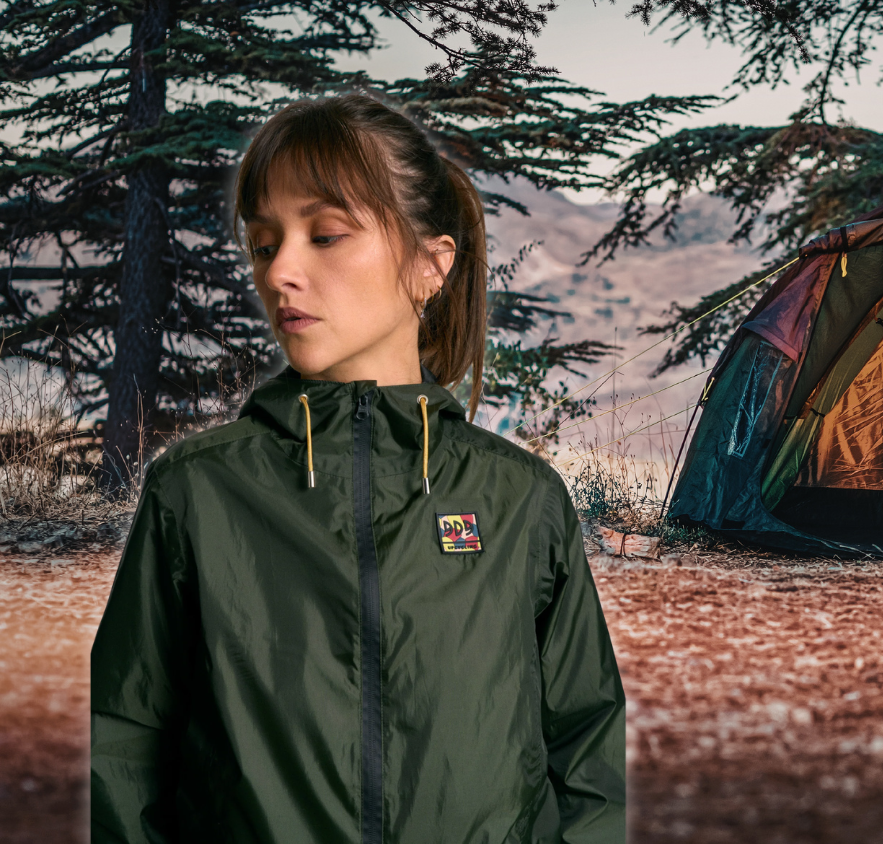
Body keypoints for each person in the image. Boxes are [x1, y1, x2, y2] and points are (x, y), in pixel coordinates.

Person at [90, 93, 626, 843]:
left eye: (327, 235)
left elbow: (586, 752)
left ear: (429, 266)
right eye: (264, 243)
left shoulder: (521, 500)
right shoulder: (197, 493)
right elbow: (125, 746)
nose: (282, 272)